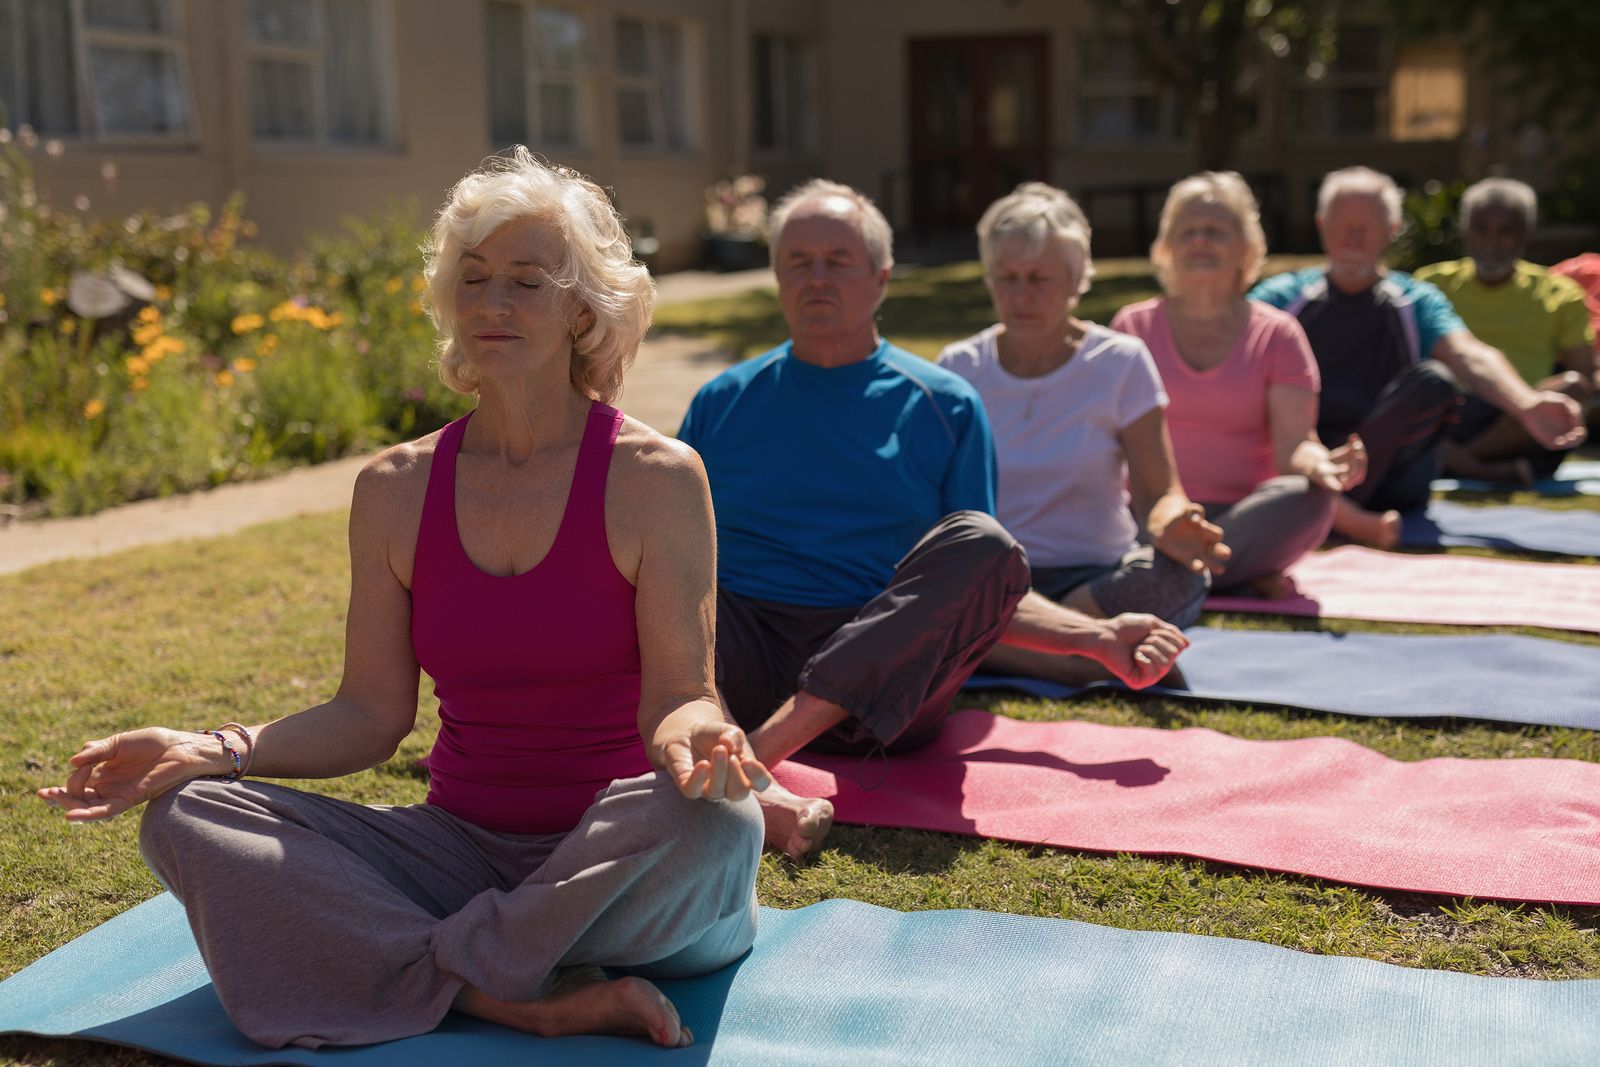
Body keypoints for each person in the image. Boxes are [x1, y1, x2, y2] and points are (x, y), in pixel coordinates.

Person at [37, 149, 768, 1051]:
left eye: (527, 281)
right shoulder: (396, 485)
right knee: (192, 811)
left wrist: (695, 734)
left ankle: (429, 966)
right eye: (474, 277)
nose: (493, 302)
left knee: (718, 820)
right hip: (455, 854)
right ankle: (506, 986)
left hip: (621, 861)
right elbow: (370, 714)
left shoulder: (656, 477)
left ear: (584, 310)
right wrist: (208, 748)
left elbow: (677, 693)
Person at [678, 179, 1188, 817]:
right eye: (798, 263)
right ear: (778, 277)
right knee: (671, 563)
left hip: (884, 689)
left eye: (838, 262)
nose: (817, 279)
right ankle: (749, 768)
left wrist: (1099, 637)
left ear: (882, 278)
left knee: (983, 541)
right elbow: (677, 569)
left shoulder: (943, 405)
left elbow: (975, 583)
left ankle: (755, 758)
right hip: (742, 661)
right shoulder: (722, 402)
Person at [937, 182, 1228, 636]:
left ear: (1076, 281)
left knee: (1179, 578)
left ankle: (1024, 638)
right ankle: (1076, 643)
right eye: (1006, 278)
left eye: (1038, 279)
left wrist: (1173, 522)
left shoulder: (1121, 361)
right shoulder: (959, 367)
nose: (1019, 295)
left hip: (1096, 579)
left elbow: (1157, 492)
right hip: (994, 581)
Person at [1252, 167, 1586, 544]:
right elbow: (1227, 335)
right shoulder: (1282, 298)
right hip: (1304, 457)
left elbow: (1467, 353)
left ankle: (1326, 509)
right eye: (1342, 224)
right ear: (1321, 225)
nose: (1353, 237)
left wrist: (1527, 405)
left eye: (1367, 226)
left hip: (1390, 472)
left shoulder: (1415, 300)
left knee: (1434, 380)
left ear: (1392, 230)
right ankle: (1338, 512)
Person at [1110, 172, 1363, 598]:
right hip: (1151, 514)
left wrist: (1320, 465)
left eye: (1216, 231)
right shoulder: (1131, 327)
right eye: (1188, 231)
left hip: (1244, 513)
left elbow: (1295, 444)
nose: (1201, 241)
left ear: (1246, 248)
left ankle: (1170, 572)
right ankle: (1229, 572)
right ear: (1167, 248)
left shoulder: (1278, 334)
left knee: (1309, 498)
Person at [1415, 178, 1596, 481]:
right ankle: (1479, 468)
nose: (1492, 242)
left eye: (1506, 231)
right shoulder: (1430, 286)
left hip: (1523, 419)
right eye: (1481, 228)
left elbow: (1585, 380)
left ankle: (1459, 462)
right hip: (1448, 413)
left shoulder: (1560, 294)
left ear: (1525, 235)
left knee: (1573, 387)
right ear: (1465, 231)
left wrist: (1526, 403)